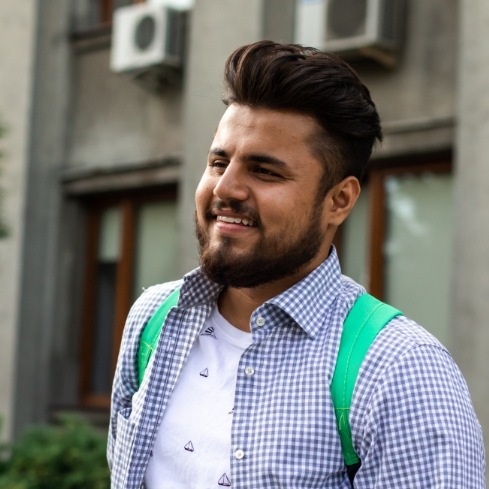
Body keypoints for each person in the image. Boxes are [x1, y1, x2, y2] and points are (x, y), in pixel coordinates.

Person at [108, 40, 485, 488]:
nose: (226, 188)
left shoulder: (401, 370)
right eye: (218, 162)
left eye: (264, 171)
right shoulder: (154, 319)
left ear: (338, 200)